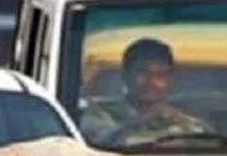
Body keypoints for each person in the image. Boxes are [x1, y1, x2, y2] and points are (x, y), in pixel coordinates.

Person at [80, 37, 210, 146]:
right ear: (125, 75)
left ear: (170, 79)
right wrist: (140, 123)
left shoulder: (187, 121)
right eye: (142, 73)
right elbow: (100, 144)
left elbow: (208, 145)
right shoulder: (98, 112)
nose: (151, 82)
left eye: (160, 75)